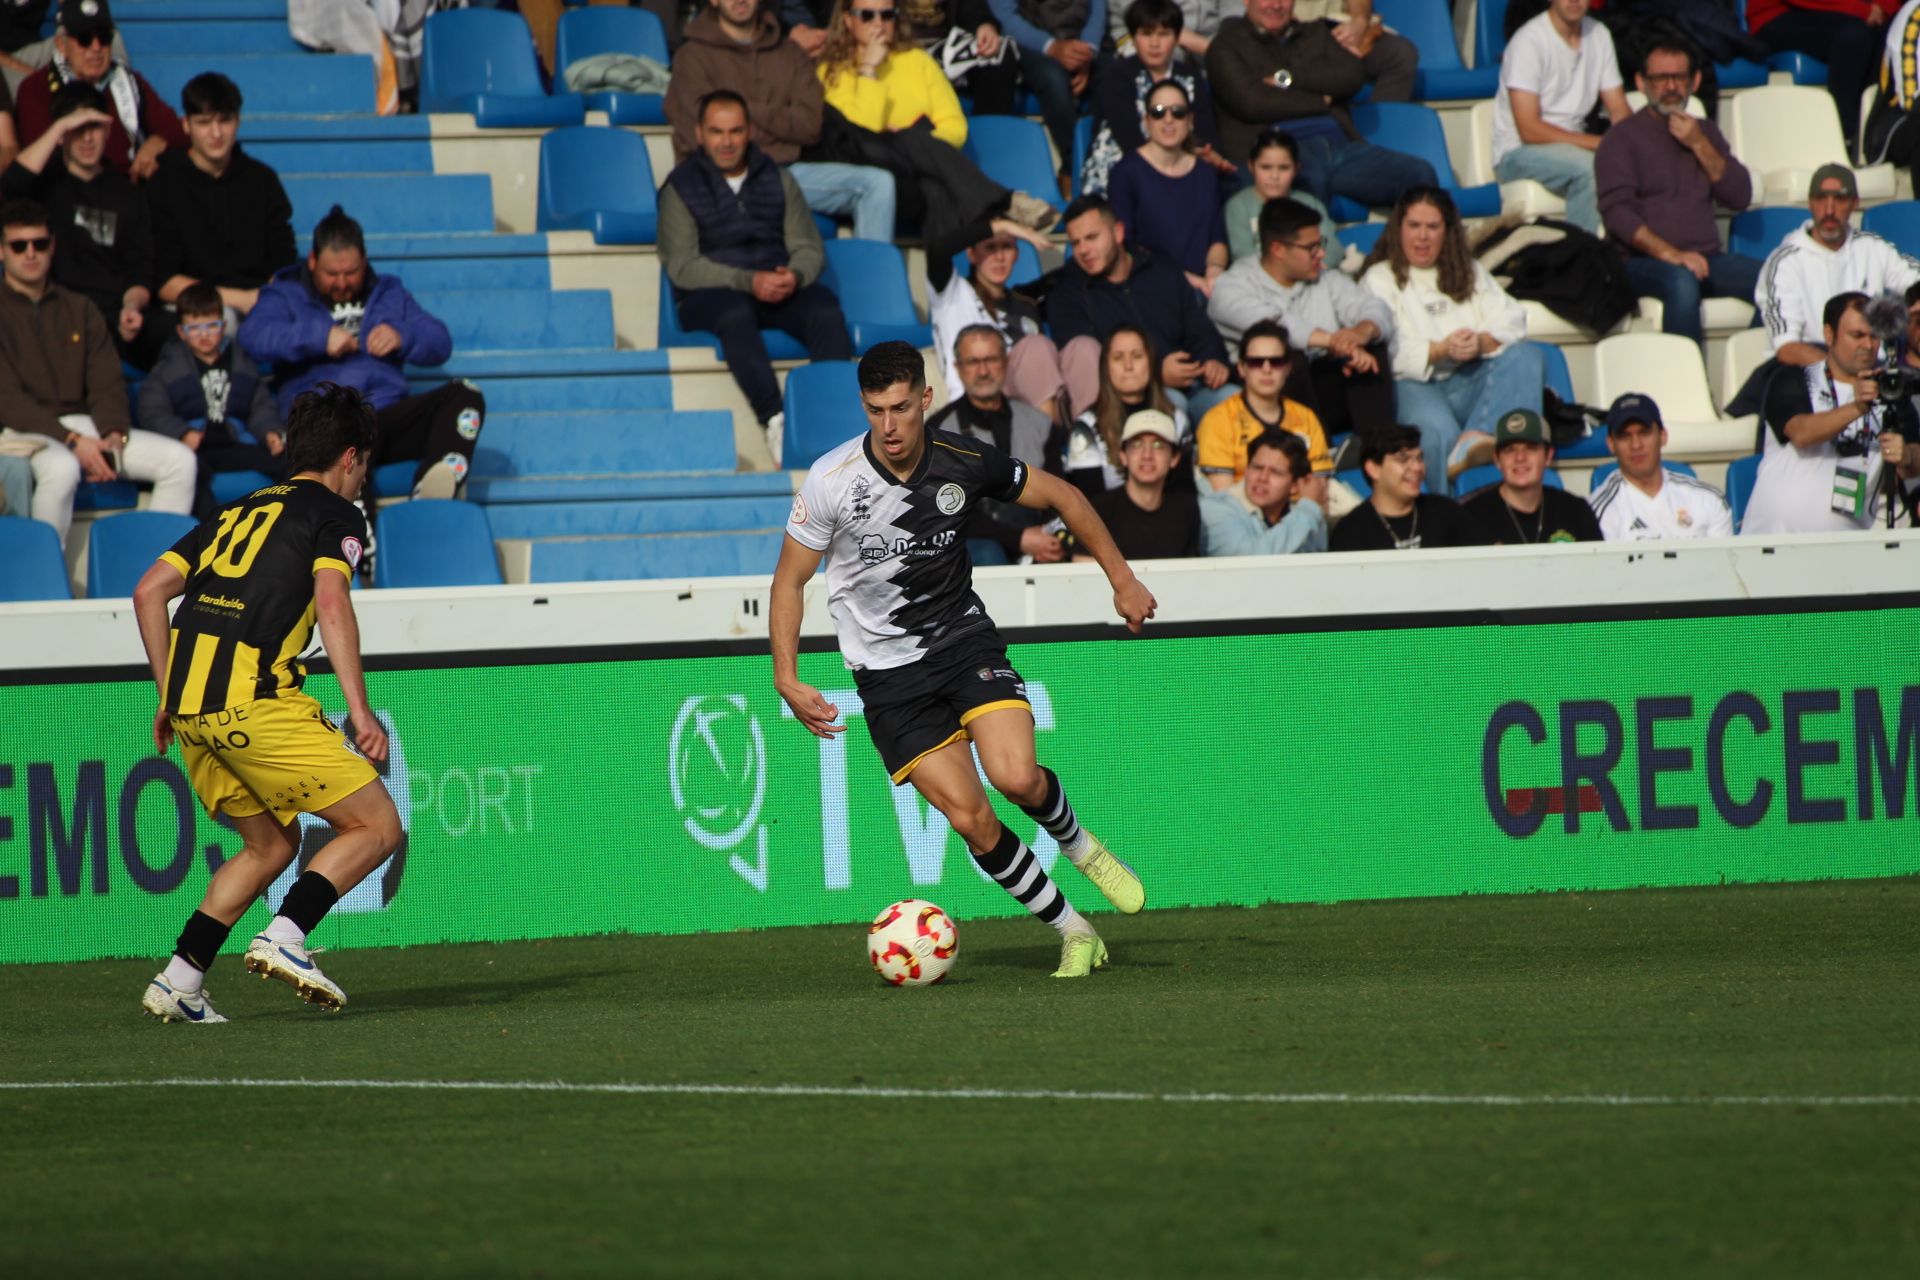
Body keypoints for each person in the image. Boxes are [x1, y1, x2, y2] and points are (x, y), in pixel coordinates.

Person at [772, 341, 1155, 979]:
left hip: (961, 642)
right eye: (875, 411)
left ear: (925, 398)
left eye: (900, 408)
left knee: (1015, 778)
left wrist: (1121, 580)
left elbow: (1064, 496)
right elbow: (789, 582)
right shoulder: (831, 481)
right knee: (972, 821)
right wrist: (785, 675)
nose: (889, 427)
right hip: (888, 680)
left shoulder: (964, 460)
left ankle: (1080, 843)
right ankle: (1075, 931)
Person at [134, 383, 405, 1023]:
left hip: (194, 713)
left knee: (270, 848)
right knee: (377, 826)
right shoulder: (338, 516)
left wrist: (171, 692)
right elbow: (333, 604)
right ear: (349, 457)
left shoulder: (237, 509)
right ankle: (285, 935)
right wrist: (359, 711)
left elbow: (149, 592)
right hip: (254, 701)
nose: (362, 478)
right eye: (363, 465)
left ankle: (180, 979)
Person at [239, 204, 484, 502]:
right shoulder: (286, 294)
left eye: (351, 272)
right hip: (326, 424)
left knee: (465, 394)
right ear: (313, 261)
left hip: (384, 417)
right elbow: (252, 336)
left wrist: (402, 335)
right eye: (332, 274)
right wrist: (318, 338)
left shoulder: (388, 292)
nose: (342, 283)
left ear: (365, 262)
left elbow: (440, 342)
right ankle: (356, 531)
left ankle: (431, 491)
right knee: (345, 449)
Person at [659, 90, 855, 449]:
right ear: (700, 134)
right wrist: (748, 281)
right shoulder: (679, 187)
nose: (727, 142)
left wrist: (794, 275)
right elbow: (682, 266)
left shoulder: (779, 179)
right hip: (711, 294)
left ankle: (832, 419)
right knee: (735, 314)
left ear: (749, 131)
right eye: (717, 132)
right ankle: (775, 421)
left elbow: (808, 247)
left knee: (824, 309)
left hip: (776, 285)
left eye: (735, 131)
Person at [0, 196, 193, 544]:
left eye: (39, 243)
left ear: (52, 245)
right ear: (2, 251)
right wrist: (74, 442)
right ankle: (46, 579)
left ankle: (151, 577)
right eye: (19, 245)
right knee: (61, 469)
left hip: (83, 424)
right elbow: (8, 400)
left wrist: (114, 432)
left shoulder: (79, 307)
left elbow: (105, 379)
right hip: (18, 433)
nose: (31, 253)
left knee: (180, 462)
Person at [814, 0, 1055, 241]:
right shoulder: (831, 70)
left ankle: (943, 277)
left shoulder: (918, 61)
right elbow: (857, 135)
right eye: (867, 15)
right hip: (872, 177)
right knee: (910, 140)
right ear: (847, 19)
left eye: (887, 15)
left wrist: (917, 149)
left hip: (916, 181)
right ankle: (1004, 202)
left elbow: (954, 125)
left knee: (933, 185)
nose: (879, 23)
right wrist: (868, 69)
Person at [1360, 185, 1542, 495]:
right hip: (1415, 384)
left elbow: (1512, 319)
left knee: (1527, 357)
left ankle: (1478, 441)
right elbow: (1384, 351)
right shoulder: (1379, 277)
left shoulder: (1468, 270)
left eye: (1433, 227)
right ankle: (1448, 512)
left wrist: (1481, 343)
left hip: (1470, 377)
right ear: (1398, 228)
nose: (1423, 237)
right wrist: (1440, 349)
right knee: (1435, 434)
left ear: (1447, 231)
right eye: (1414, 226)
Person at [666, 0, 896, 242]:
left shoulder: (789, 53)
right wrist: (780, 129)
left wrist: (745, 111)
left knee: (878, 184)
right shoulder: (692, 57)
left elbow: (809, 126)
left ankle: (873, 278)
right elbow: (702, 137)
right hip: (721, 177)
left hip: (784, 172)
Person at [1594, 40, 1758, 345]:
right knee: (1681, 281)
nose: (1671, 87)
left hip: (1707, 258)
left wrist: (1698, 144)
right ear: (1642, 83)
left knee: (1778, 280)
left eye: (1679, 78)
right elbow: (1617, 214)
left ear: (1694, 82)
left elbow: (1740, 196)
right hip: (1641, 263)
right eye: (1660, 79)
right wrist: (1671, 254)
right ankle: (1687, 384)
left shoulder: (1705, 132)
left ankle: (1756, 379)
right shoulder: (1620, 138)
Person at [1205, 0, 1434, 214]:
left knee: (1419, 174)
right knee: (1306, 198)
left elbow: (1350, 76)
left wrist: (1286, 79)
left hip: (1340, 148)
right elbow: (1252, 103)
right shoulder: (1226, 47)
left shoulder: (1315, 33)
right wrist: (1319, 101)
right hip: (1282, 152)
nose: (1276, 5)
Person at [0, 79, 166, 367]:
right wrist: (58, 128)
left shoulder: (128, 193)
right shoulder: (45, 184)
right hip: (56, 311)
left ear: (108, 130)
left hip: (114, 313)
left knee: (175, 330)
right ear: (62, 134)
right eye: (78, 129)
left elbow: (140, 266)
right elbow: (9, 185)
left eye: (95, 128)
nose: (87, 139)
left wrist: (132, 306)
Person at [1210, 196, 1393, 441]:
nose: (1321, 254)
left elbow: (1373, 307)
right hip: (1269, 393)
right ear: (1278, 249)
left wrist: (1362, 332)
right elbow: (1277, 327)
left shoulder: (1326, 278)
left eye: (1321, 243)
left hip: (1324, 387)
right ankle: (1316, 454)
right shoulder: (1231, 287)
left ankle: (1378, 450)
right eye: (1311, 248)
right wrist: (1336, 342)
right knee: (1285, 355)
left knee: (1373, 345)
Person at [1744, 292, 1920, 533]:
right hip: (1775, 542)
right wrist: (1857, 408)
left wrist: (1906, 456)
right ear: (1829, 334)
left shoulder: (1891, 391)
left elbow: (1913, 461)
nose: (1868, 346)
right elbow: (1801, 433)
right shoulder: (1795, 377)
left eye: (1874, 336)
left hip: (1847, 548)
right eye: (1857, 335)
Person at [1051, 193, 1235, 418]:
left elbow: (1197, 324)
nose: (1083, 250)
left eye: (1091, 237)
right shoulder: (1067, 294)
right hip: (1133, 398)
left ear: (1117, 232)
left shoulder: (1160, 269)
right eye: (1076, 243)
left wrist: (1213, 360)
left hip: (1195, 386)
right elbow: (1091, 366)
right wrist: (1155, 374)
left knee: (1233, 400)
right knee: (1172, 405)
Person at [145, 72, 297, 322]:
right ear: (186, 125)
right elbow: (163, 282)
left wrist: (265, 300)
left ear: (237, 122)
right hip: (193, 310)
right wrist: (239, 300)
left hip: (259, 305)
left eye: (224, 121)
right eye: (204, 122)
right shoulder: (164, 183)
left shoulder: (263, 180)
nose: (216, 133)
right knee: (221, 323)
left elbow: (283, 263)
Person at [138, 282, 286, 518]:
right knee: (191, 473)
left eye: (212, 326)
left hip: (233, 444)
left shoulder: (242, 363)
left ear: (224, 326)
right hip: (195, 449)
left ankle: (289, 534)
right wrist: (182, 432)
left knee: (289, 464)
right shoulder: (168, 368)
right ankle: (208, 538)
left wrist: (270, 432)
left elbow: (260, 407)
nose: (204, 335)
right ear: (180, 331)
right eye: (194, 328)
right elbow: (151, 410)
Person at [925, 322, 1063, 563]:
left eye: (991, 360)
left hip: (1037, 540)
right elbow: (946, 512)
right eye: (973, 362)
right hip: (973, 547)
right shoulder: (937, 430)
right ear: (958, 368)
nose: (983, 371)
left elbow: (1058, 494)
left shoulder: (1040, 424)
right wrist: (1018, 538)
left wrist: (1047, 537)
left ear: (1006, 362)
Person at [1757, 165, 1920, 366]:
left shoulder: (1872, 246)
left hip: (1871, 365)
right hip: (1808, 373)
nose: (1829, 210)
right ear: (1810, 203)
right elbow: (1787, 349)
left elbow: (1913, 278)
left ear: (1855, 203)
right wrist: (1844, 374)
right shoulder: (1784, 262)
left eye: (1840, 199)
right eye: (1821, 198)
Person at [1489, 0, 1630, 234]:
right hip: (1517, 152)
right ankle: (1580, 261)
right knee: (1591, 170)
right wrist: (1600, 144)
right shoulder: (1529, 41)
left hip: (1574, 147)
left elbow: (1619, 108)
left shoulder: (1599, 34)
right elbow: (1529, 130)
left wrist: (1633, 142)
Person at [13, 0, 185, 180]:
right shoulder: (36, 87)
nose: (96, 48)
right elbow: (39, 155)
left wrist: (157, 141)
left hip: (126, 190)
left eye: (104, 38)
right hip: (64, 192)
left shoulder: (130, 81)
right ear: (61, 45)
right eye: (84, 39)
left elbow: (176, 130)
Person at [1082, 0, 1229, 195]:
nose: (1154, 44)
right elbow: (1130, 139)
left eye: (1163, 34)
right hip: (1122, 164)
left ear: (1177, 38)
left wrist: (1209, 154)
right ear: (1133, 38)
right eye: (1146, 34)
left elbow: (1206, 131)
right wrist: (1181, 158)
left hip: (1184, 162)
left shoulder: (1190, 76)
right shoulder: (1117, 75)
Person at [924, 214, 1063, 417]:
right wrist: (1003, 225)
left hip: (1023, 409)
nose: (999, 257)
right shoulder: (953, 293)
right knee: (1038, 346)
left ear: (1016, 253)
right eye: (990, 247)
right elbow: (938, 249)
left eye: (1006, 247)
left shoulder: (1025, 306)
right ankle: (1046, 442)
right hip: (975, 406)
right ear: (971, 254)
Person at [1107, 79, 1230, 294]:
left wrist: (1214, 271)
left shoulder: (1205, 173)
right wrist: (1184, 279)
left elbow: (1216, 238)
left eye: (1178, 112)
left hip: (1205, 287)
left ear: (1190, 120)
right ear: (1146, 120)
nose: (1168, 120)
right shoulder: (1126, 173)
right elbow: (1126, 247)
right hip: (1150, 286)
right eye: (1158, 112)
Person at [1193, 317, 1329, 487]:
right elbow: (1223, 498)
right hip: (1241, 511)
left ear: (1288, 368)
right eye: (1256, 362)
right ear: (1242, 368)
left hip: (1299, 509)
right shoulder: (1217, 421)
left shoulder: (1306, 418)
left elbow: (1319, 487)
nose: (1267, 369)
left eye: (1276, 361)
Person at [1060, 322, 1193, 494]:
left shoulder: (1177, 420)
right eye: (1118, 357)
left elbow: (1186, 495)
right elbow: (1088, 504)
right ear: (1105, 367)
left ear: (1151, 362)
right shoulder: (1085, 427)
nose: (1128, 366)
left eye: (1137, 356)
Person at [983, 0, 1105, 187]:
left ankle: (1105, 163)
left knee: (1113, 76)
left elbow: (1097, 9)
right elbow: (1005, 17)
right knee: (1053, 79)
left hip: (1082, 44)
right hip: (1029, 43)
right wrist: (1051, 47)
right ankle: (1074, 168)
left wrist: (1087, 52)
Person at [1749, 0, 1894, 157]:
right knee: (1853, 36)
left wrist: (1883, 7)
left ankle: (1873, 134)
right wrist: (1861, 10)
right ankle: (1843, 139)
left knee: (1889, 34)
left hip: (1849, 13)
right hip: (1779, 14)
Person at [1588, 391, 1735, 539]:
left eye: (1644, 433)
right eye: (1625, 436)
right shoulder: (1596, 514)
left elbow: (1726, 562)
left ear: (1663, 436)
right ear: (1611, 444)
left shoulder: (1709, 500)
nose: (1636, 445)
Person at [1328, 422, 1491, 550]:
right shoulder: (1351, 531)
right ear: (1373, 469)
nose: (1417, 467)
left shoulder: (1446, 512)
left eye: (1419, 458)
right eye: (1403, 459)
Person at [1069, 407, 1202, 557]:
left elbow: (1192, 571)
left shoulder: (1186, 508)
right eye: (1137, 445)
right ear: (1123, 455)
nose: (1147, 455)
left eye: (1158, 445)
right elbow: (1082, 567)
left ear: (1174, 458)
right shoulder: (1099, 509)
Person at [1462, 407, 1602, 544]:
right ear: (1497, 460)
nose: (1520, 457)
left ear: (1548, 456)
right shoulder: (1470, 517)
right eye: (1510, 450)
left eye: (1531, 448)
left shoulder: (1575, 511)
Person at [1199, 426, 1327, 553]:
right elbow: (1248, 563)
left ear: (1294, 485)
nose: (1262, 478)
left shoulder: (1307, 516)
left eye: (1276, 472)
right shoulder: (1213, 509)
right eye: (1257, 467)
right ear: (1247, 470)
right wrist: (1308, 511)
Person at [1222, 127, 1338, 265]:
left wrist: (1316, 268)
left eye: (1284, 168)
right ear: (1251, 166)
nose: (1274, 176)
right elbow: (1242, 254)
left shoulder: (1309, 203)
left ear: (1296, 169)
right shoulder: (1239, 206)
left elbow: (1333, 247)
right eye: (1266, 167)